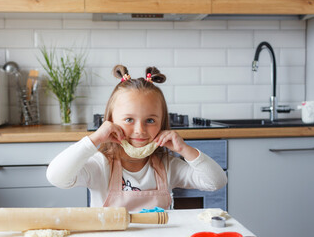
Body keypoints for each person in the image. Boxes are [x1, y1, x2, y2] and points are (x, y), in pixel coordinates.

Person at [46, 65, 227, 211]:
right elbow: (56, 177)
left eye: (150, 120)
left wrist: (184, 150)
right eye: (129, 120)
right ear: (110, 122)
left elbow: (216, 182)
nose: (140, 130)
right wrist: (94, 140)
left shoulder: (167, 165)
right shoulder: (100, 165)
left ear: (162, 124)